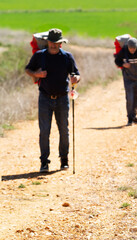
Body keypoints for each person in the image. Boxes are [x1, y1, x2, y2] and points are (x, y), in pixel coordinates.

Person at [25, 28, 80, 172]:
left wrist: (75, 78)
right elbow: (28, 70)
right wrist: (37, 74)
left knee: (64, 130)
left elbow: (76, 74)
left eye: (56, 43)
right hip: (44, 98)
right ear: (47, 42)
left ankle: (64, 160)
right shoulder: (39, 56)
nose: (53, 45)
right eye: (51, 42)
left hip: (62, 98)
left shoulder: (67, 57)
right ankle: (44, 162)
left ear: (61, 43)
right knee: (44, 131)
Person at [114, 37, 137, 126]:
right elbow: (117, 61)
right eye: (130, 48)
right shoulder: (124, 50)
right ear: (128, 47)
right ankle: (129, 119)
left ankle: (134, 116)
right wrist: (123, 64)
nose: (132, 50)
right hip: (127, 79)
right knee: (130, 98)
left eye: (134, 48)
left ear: (136, 47)